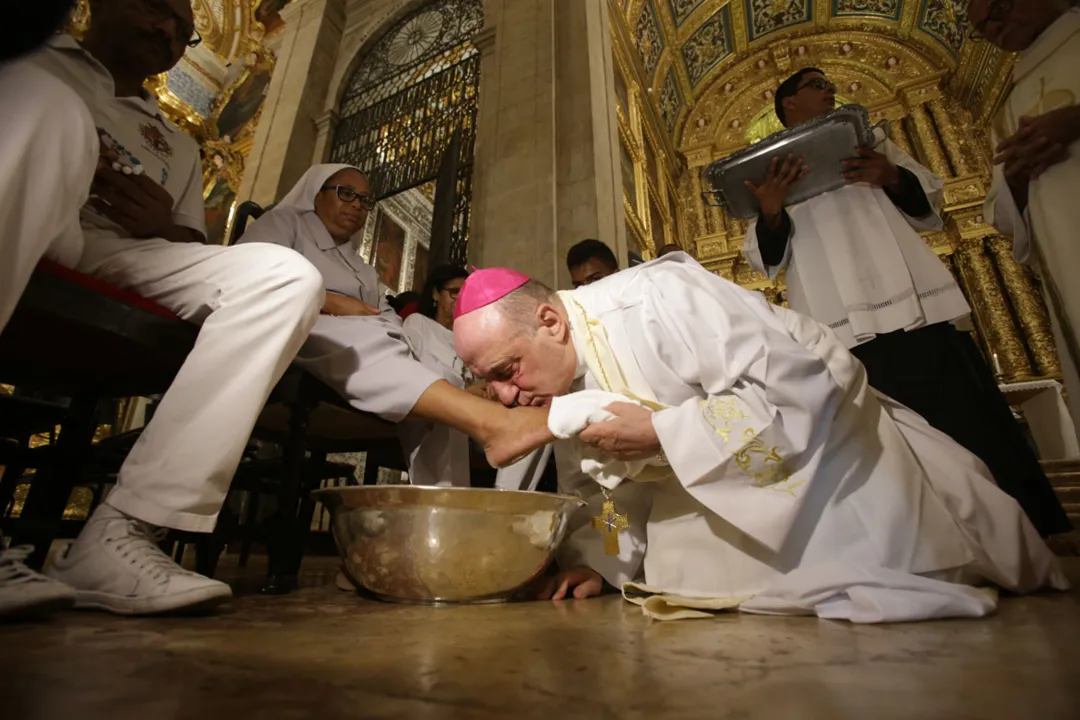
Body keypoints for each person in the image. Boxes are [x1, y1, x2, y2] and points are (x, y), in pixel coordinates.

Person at [452, 256, 1068, 623]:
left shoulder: (655, 301)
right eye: (490, 385)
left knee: (865, 564)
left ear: (551, 322)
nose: (508, 398)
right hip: (703, 474)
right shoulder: (555, 392)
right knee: (688, 584)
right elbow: (602, 499)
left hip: (811, 430)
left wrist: (664, 432)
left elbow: (794, 392)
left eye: (508, 372)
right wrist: (599, 566)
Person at [741, 67, 1069, 537]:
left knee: (966, 421)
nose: (830, 89)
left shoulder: (870, 141)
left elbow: (929, 202)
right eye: (817, 84)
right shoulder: (773, 172)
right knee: (883, 443)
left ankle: (1024, 533)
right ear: (787, 102)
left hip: (912, 307)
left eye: (829, 83)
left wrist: (890, 174)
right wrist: (771, 210)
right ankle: (924, 543)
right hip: (840, 327)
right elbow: (763, 256)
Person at [237, 165, 553, 487]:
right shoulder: (287, 222)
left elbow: (382, 311)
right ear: (317, 194)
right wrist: (329, 301)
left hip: (369, 335)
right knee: (370, 341)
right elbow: (246, 267)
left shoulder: (362, 268)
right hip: (302, 324)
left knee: (436, 380)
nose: (357, 205)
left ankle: (443, 505)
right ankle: (491, 422)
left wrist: (384, 324)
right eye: (346, 194)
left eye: (364, 200)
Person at [0, 0, 99, 618]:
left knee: (281, 278)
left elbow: (187, 239)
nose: (166, 30)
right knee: (42, 104)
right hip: (73, 230)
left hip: (133, 249)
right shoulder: (45, 76)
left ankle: (122, 531)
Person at [976, 0, 1080, 446]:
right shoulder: (1009, 105)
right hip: (1066, 247)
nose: (996, 30)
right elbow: (1000, 216)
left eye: (997, 11)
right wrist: (1015, 178)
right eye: (983, 28)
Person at [402, 264, 554, 491]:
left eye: (463, 294)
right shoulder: (419, 324)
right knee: (450, 413)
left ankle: (505, 498)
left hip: (479, 417)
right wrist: (462, 395)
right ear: (435, 293)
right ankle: (446, 501)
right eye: (454, 292)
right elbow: (413, 376)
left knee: (539, 422)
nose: (458, 299)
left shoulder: (468, 336)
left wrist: (489, 388)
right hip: (439, 414)